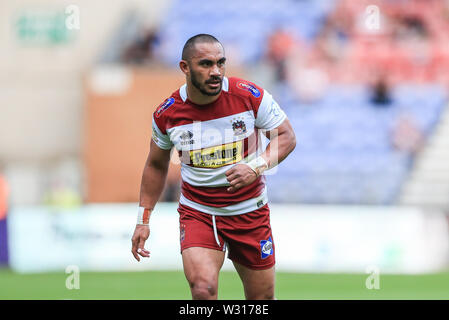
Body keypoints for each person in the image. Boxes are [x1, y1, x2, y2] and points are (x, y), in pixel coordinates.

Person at [130, 34, 296, 300]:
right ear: (185, 67)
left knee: (261, 300)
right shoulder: (167, 114)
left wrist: (255, 166)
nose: (216, 71)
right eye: (206, 64)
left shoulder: (249, 95)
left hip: (249, 212)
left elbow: (286, 136)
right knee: (202, 289)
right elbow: (156, 165)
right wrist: (143, 220)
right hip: (200, 213)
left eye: (221, 63)